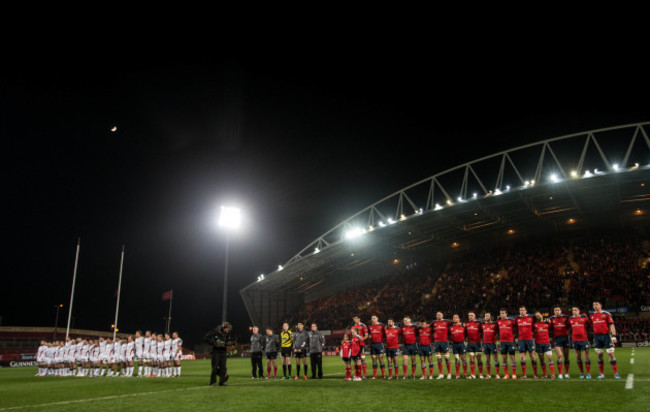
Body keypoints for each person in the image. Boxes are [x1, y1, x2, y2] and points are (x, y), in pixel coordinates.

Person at [590, 301, 621, 379]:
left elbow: (611, 325)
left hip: (606, 336)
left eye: (596, 304)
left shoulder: (606, 314)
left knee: (611, 354)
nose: (595, 306)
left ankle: (616, 373)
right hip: (597, 337)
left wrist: (613, 336)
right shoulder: (592, 315)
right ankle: (601, 373)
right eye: (593, 305)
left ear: (600, 305)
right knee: (599, 355)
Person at [204, 321, 234, 386]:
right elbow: (206, 338)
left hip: (223, 351)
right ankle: (212, 382)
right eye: (227, 329)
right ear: (224, 327)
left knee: (223, 367)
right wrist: (214, 343)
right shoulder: (215, 331)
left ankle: (222, 382)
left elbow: (227, 341)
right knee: (215, 367)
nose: (228, 330)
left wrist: (229, 343)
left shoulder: (227, 334)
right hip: (216, 351)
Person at [569, 306, 592, 379]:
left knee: (586, 356)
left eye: (575, 310)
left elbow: (590, 324)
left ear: (579, 311)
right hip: (574, 340)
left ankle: (588, 373)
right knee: (578, 357)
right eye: (573, 310)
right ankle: (581, 372)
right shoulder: (570, 319)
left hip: (583, 339)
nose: (574, 311)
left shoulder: (584, 318)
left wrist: (587, 317)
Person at [516, 306, 537, 378]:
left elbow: (538, 317)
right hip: (521, 340)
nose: (522, 311)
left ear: (526, 311)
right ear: (519, 312)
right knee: (522, 357)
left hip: (530, 340)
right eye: (520, 310)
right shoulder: (517, 319)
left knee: (532, 356)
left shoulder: (531, 318)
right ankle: (524, 374)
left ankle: (535, 374)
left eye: (523, 310)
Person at [550, 305, 571, 379]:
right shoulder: (551, 319)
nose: (557, 311)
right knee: (559, 355)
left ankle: (567, 373)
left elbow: (571, 324)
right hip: (557, 339)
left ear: (561, 311)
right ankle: (560, 373)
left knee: (566, 357)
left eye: (558, 310)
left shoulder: (566, 317)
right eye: (555, 310)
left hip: (565, 338)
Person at [533, 311, 555, 379]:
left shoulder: (547, 323)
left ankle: (552, 374)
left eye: (539, 315)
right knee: (541, 360)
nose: (538, 316)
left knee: (549, 358)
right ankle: (545, 374)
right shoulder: (534, 324)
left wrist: (549, 321)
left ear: (541, 315)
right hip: (538, 344)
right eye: (536, 316)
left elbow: (553, 327)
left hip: (547, 343)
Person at [497, 308, 517, 379]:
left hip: (510, 342)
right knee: (504, 358)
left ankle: (514, 374)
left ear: (506, 314)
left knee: (512, 357)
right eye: (501, 313)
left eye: (503, 313)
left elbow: (517, 326)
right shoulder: (498, 322)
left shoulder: (511, 321)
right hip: (502, 342)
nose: (502, 314)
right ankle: (506, 374)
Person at [432, 311, 452, 379]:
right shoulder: (433, 323)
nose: (438, 316)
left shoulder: (447, 322)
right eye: (437, 315)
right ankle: (441, 373)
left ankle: (449, 373)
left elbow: (454, 324)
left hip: (444, 341)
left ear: (442, 316)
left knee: (446, 357)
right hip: (437, 342)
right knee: (438, 358)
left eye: (440, 315)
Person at [465, 311, 483, 379]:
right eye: (469, 315)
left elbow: (482, 331)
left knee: (479, 359)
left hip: (477, 343)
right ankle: (473, 374)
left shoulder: (478, 323)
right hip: (470, 343)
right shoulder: (466, 324)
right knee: (471, 359)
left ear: (474, 316)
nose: (470, 316)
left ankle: (481, 374)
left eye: (472, 315)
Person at [368, 315, 386, 379]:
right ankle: (374, 375)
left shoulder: (381, 325)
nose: (372, 319)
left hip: (379, 344)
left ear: (377, 319)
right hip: (372, 344)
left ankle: (383, 375)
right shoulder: (370, 326)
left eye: (374, 318)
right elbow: (369, 334)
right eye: (372, 318)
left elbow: (385, 333)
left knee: (380, 358)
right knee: (373, 358)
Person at [450, 314, 468, 379]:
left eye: (456, 317)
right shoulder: (451, 327)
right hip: (455, 344)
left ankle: (465, 374)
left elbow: (466, 334)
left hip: (461, 344)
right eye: (454, 317)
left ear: (459, 319)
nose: (455, 318)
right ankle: (457, 374)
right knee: (456, 359)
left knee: (463, 358)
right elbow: (449, 335)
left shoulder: (463, 326)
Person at [481, 312, 499, 379]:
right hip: (486, 343)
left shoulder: (494, 325)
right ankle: (488, 375)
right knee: (487, 360)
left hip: (493, 343)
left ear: (490, 317)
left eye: (488, 315)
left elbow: (498, 331)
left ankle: (497, 374)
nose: (487, 317)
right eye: (485, 316)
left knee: (495, 359)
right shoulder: (483, 325)